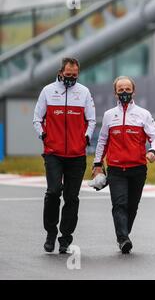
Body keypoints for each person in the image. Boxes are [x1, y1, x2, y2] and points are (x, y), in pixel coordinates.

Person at [33, 57, 96, 253]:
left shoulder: (84, 92)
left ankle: (65, 237)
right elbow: (37, 118)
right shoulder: (47, 91)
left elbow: (92, 120)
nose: (71, 78)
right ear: (61, 72)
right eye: (68, 75)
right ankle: (51, 232)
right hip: (53, 152)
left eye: (74, 75)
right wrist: (44, 136)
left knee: (72, 197)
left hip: (77, 155)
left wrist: (85, 139)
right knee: (53, 192)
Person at [92, 76, 155, 254]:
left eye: (127, 89)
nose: (124, 92)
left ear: (133, 91)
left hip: (137, 168)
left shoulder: (143, 114)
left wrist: (153, 151)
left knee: (132, 206)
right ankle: (123, 238)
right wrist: (97, 163)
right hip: (116, 169)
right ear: (115, 93)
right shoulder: (109, 115)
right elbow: (102, 142)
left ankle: (124, 233)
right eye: (120, 89)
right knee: (119, 204)